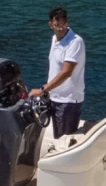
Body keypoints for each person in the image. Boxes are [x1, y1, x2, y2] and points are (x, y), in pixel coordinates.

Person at [29, 7, 86, 139]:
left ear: (68, 23)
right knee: (57, 136)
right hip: (55, 97)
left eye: (63, 25)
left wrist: (43, 89)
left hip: (68, 100)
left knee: (63, 141)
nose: (60, 28)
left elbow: (66, 72)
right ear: (51, 25)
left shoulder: (75, 42)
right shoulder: (55, 39)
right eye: (57, 25)